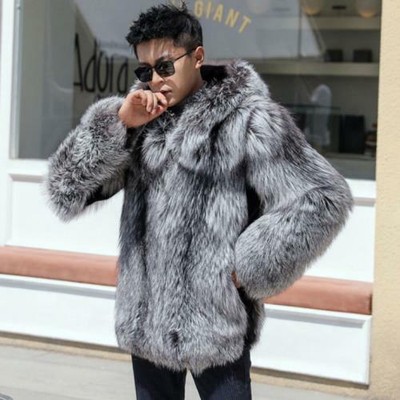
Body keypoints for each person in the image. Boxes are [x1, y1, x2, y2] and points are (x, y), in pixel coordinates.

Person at [45, 3, 353, 399]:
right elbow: (64, 189)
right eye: (145, 71)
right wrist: (119, 124)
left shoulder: (249, 119)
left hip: (217, 324)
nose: (155, 80)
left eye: (165, 66)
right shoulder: (141, 119)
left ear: (198, 57)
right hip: (147, 323)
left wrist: (251, 265)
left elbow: (323, 196)